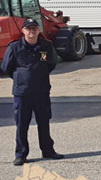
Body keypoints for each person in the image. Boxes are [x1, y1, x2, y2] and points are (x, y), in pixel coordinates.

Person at [1, 18, 64, 165]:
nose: (32, 31)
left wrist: (38, 76)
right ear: (23, 31)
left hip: (41, 92)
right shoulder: (15, 47)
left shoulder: (45, 46)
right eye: (28, 29)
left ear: (38, 30)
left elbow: (51, 63)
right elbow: (6, 68)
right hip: (22, 94)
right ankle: (21, 154)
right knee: (22, 124)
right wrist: (21, 78)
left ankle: (48, 151)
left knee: (44, 122)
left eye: (34, 28)